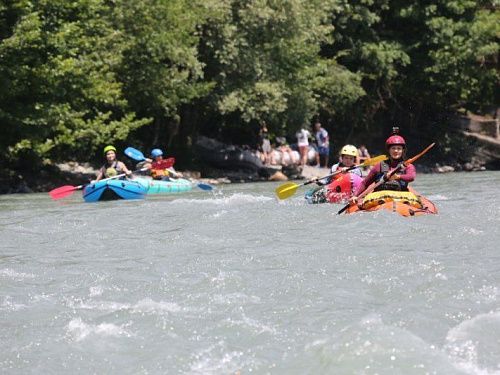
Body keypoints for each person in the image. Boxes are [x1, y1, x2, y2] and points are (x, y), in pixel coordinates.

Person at [351, 129, 415, 202]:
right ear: (388, 150)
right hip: (379, 200)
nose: (396, 151)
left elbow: (411, 177)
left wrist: (398, 177)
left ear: (403, 150)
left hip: (400, 199)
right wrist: (355, 196)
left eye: (399, 148)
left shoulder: (408, 166)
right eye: (393, 148)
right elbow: (365, 183)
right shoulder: (379, 166)